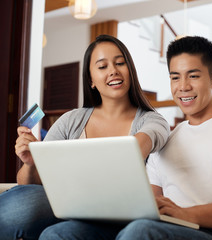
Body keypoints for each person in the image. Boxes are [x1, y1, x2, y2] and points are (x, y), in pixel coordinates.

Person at [38, 36, 212, 240]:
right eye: (175, 77)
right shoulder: (168, 141)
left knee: (140, 232)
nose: (183, 86)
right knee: (58, 234)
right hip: (166, 228)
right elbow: (149, 201)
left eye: (193, 76)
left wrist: (188, 214)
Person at [0, 34, 170, 240]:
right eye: (102, 66)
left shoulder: (152, 120)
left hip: (122, 217)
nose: (113, 71)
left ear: (130, 71)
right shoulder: (71, 120)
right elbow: (29, 186)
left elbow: (141, 145)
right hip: (71, 210)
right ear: (91, 80)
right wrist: (31, 164)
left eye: (119, 63)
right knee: (21, 205)